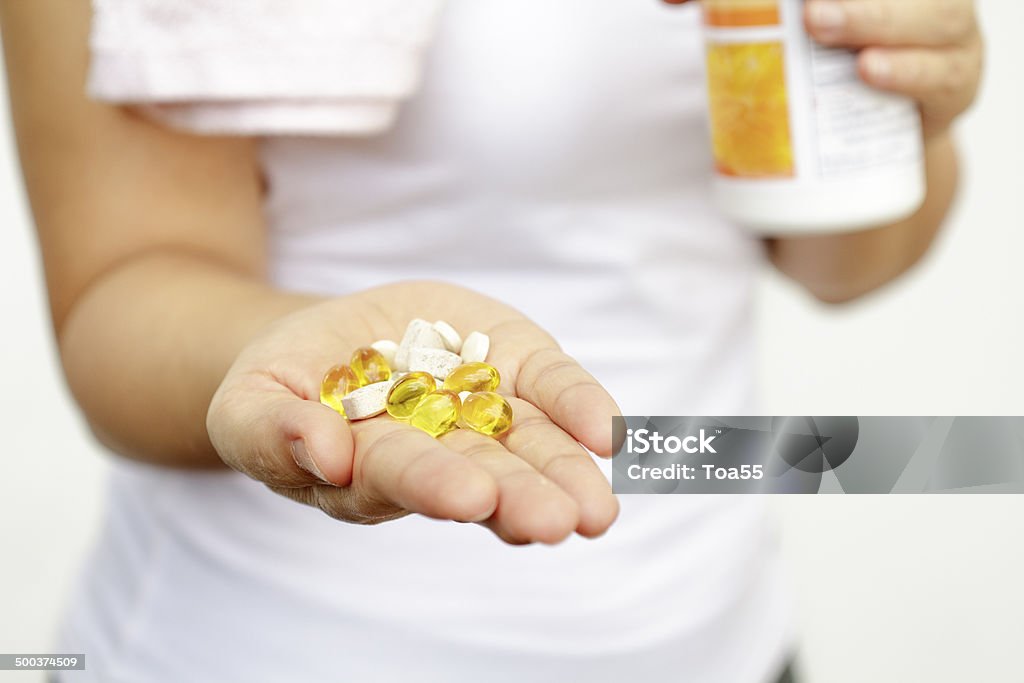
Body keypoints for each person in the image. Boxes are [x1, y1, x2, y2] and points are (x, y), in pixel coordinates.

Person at [1, 0, 982, 681]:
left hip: (718, 636)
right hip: (286, 646)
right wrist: (312, 363)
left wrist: (901, 103)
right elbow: (120, 292)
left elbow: (845, 263)